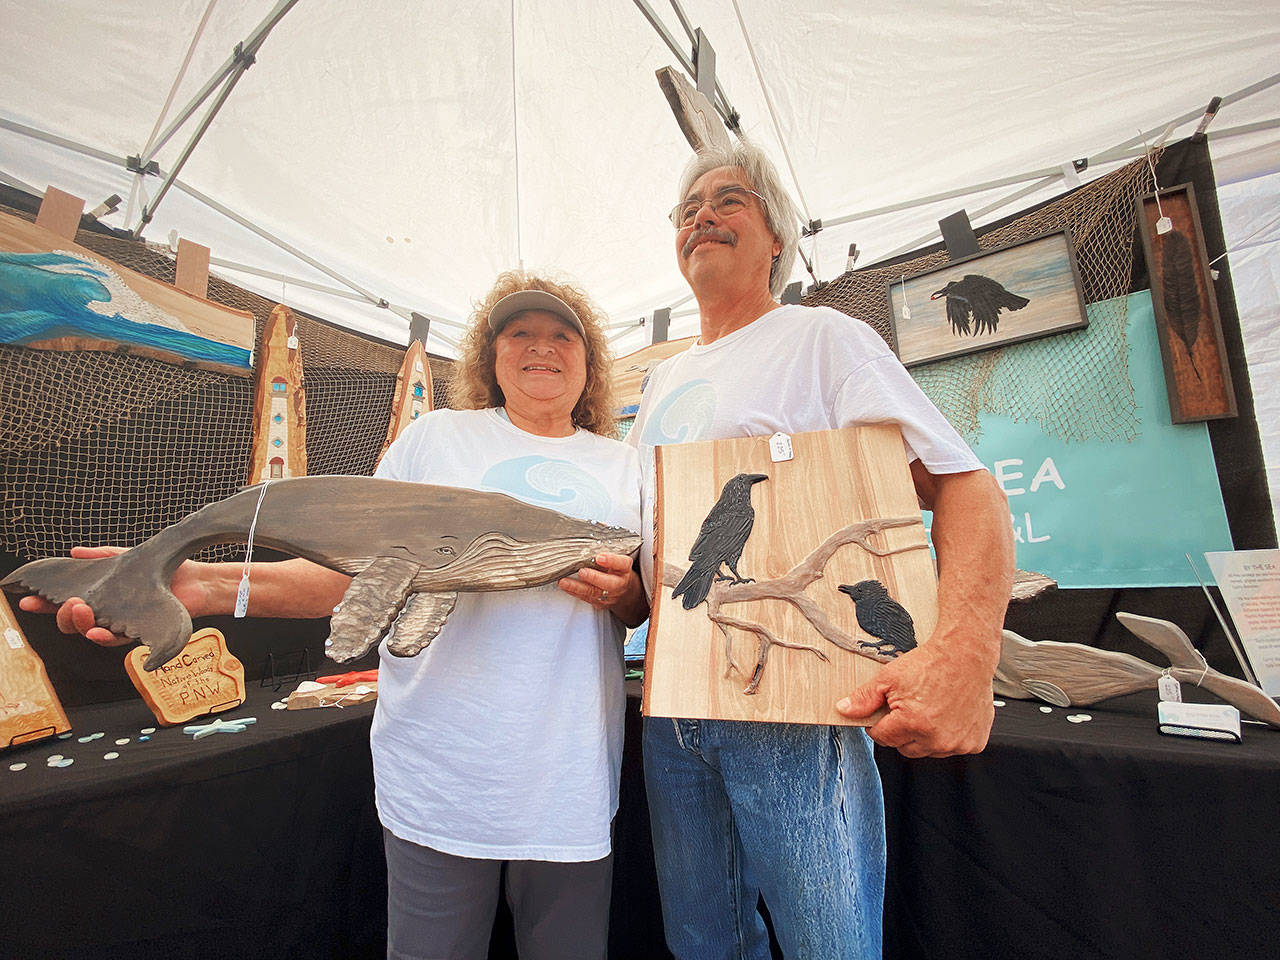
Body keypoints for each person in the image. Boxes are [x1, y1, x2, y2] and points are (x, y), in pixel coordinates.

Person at [20, 271, 647, 960]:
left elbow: (644, 602)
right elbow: (346, 573)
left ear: (590, 363)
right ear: (489, 356)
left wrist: (622, 594)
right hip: (440, 770)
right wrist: (202, 584)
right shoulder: (437, 437)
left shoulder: (628, 466)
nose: (541, 347)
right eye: (519, 332)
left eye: (564, 335)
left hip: (567, 777)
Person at [628, 142, 1016, 959]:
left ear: (778, 239)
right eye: (687, 206)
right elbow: (653, 553)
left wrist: (965, 655)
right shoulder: (660, 384)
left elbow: (966, 487)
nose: (703, 214)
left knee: (826, 947)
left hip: (794, 709)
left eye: (728, 200)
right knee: (703, 943)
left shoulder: (821, 339)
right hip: (671, 704)